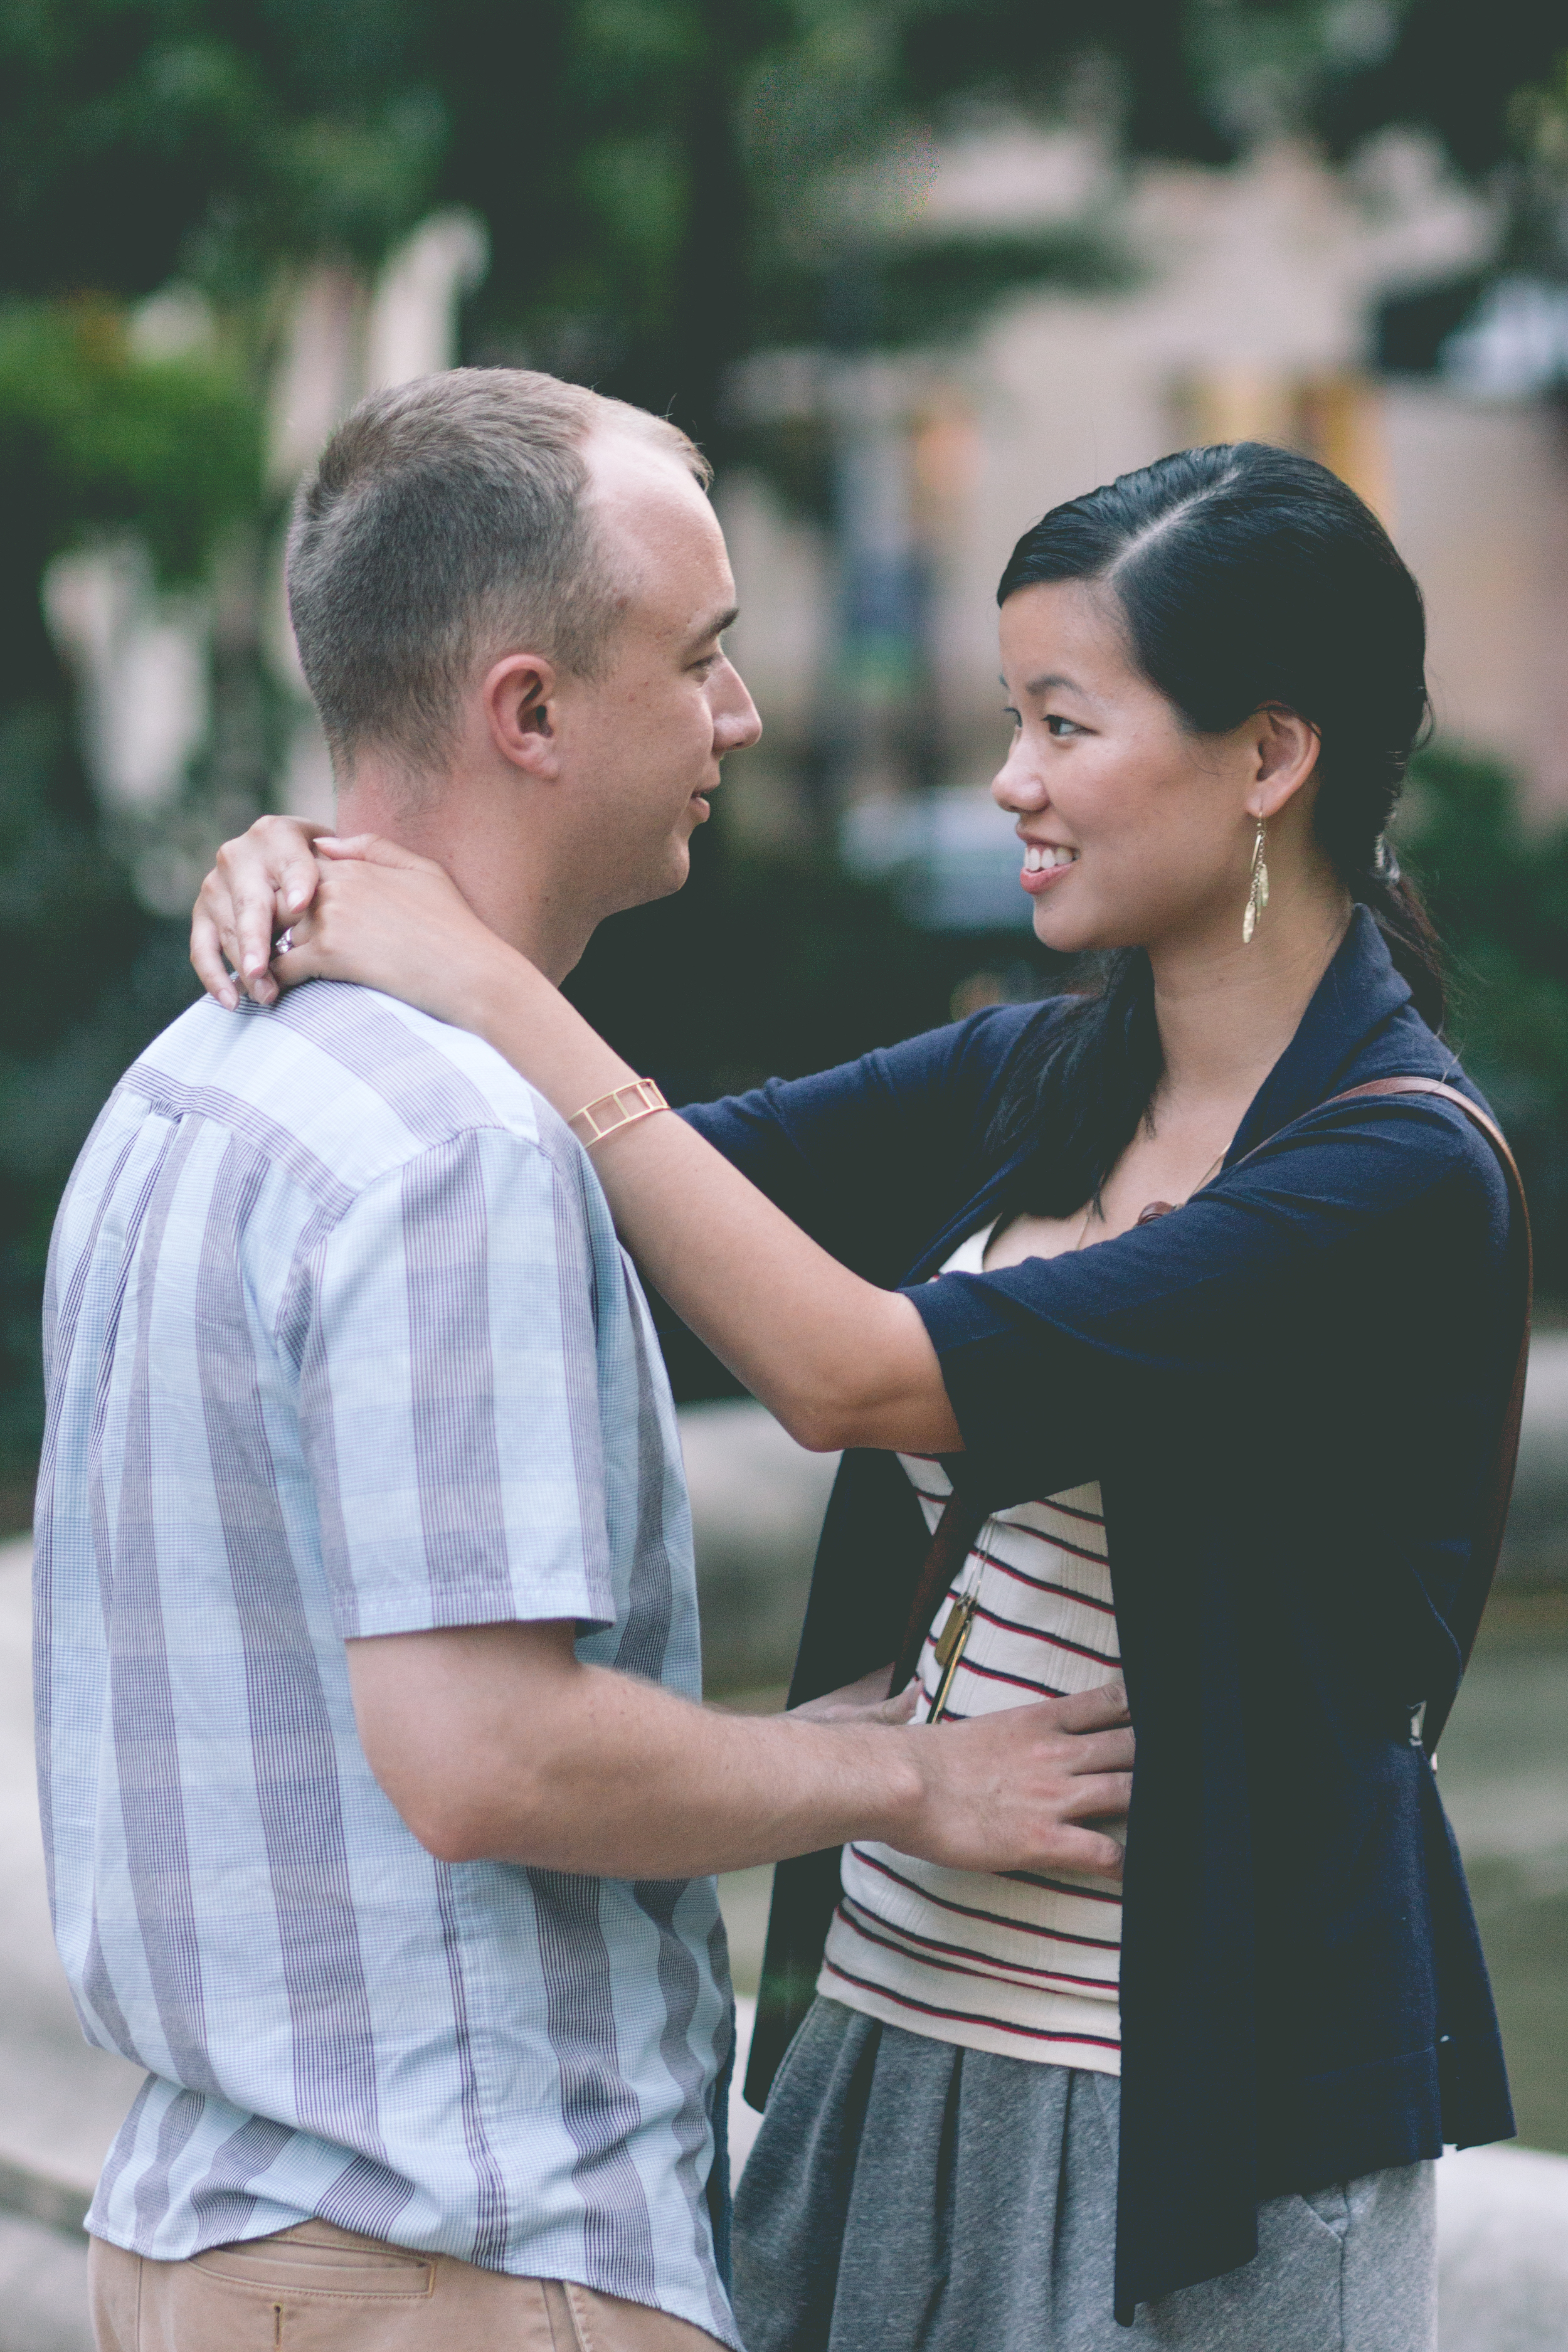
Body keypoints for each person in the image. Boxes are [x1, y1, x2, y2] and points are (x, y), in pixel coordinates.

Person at [193, 440, 1523, 2352]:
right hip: (883, 2046)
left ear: (1267, 757)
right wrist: (322, 888)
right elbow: (597, 1189)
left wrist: (480, 985)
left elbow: (852, 1375)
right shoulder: (1041, 1076)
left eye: (1064, 725)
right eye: (1011, 719)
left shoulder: (1390, 1174)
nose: (1011, 783)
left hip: (1196, 2128)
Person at [40, 369, 1137, 2352]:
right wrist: (903, 1774)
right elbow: (488, 1755)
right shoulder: (458, 1148)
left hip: (208, 2235)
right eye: (699, 657)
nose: (737, 714)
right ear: (529, 711)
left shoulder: (181, 1087)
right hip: (458, 2261)